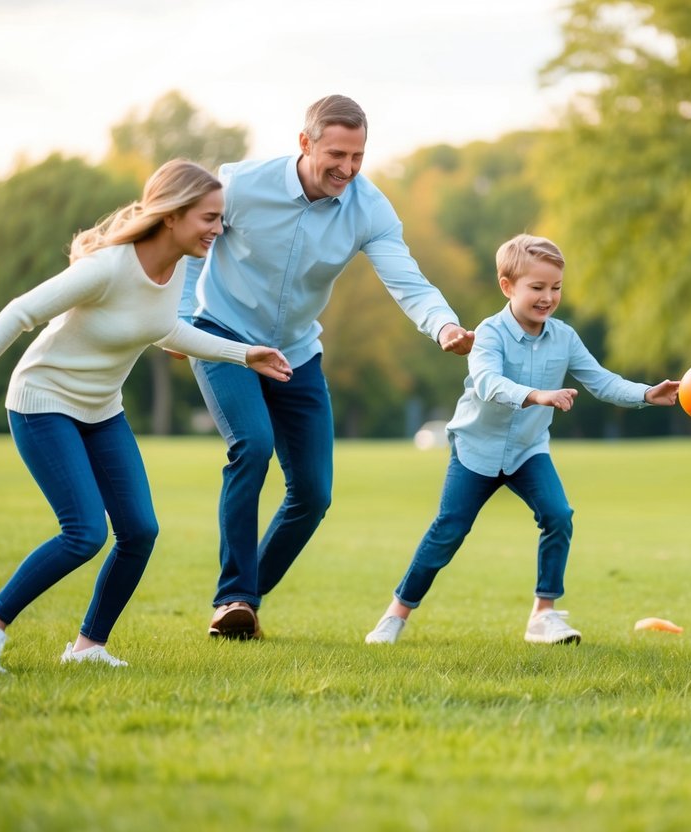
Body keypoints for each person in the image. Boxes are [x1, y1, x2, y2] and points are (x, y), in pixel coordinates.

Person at [0, 160, 293, 672]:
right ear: (172, 215)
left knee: (139, 531)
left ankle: (87, 648)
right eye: (208, 217)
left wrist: (244, 353)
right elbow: (18, 313)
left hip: (101, 410)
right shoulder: (107, 267)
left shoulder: (177, 263)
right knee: (84, 533)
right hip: (43, 403)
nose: (218, 228)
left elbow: (164, 329)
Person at [180, 94, 474, 640]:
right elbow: (183, 241)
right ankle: (234, 597)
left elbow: (407, 281)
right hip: (224, 336)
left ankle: (243, 604)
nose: (347, 168)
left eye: (358, 156)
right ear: (305, 143)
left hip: (296, 352)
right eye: (336, 153)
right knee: (252, 445)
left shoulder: (370, 209)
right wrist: (180, 324)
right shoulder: (240, 186)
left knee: (313, 494)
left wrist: (445, 326)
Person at [364, 233, 679, 646]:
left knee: (558, 516)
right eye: (537, 287)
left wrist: (646, 394)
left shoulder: (564, 337)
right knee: (449, 530)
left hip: (528, 451)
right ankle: (396, 614)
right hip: (475, 450)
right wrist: (536, 395)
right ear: (507, 286)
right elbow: (488, 383)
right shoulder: (489, 335)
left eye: (556, 287)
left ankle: (543, 616)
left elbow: (600, 380)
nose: (547, 297)